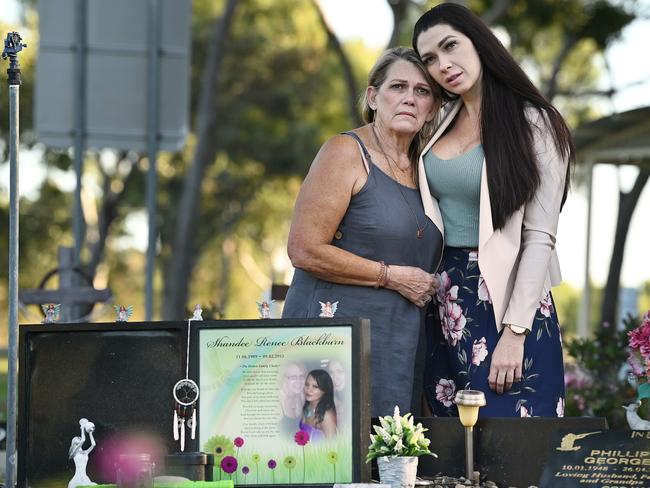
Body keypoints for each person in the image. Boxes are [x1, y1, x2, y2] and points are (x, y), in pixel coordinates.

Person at [412, 3, 574, 417]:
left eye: (450, 46)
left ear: (479, 42)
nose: (443, 65)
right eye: (430, 59)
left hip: (507, 301)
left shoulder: (535, 123)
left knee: (515, 451)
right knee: (450, 456)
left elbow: (540, 235)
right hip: (443, 302)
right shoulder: (438, 121)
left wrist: (515, 333)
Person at [281, 47, 444, 417]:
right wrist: (390, 276)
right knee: (325, 457)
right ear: (373, 97)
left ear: (433, 108)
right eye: (398, 86)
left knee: (388, 465)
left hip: (399, 340)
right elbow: (304, 249)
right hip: (335, 337)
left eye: (422, 92)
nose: (409, 98)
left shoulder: (427, 168)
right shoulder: (345, 152)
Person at [299, 369, 337, 440]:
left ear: (324, 390)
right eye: (307, 384)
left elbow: (333, 448)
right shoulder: (308, 407)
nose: (308, 390)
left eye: (315, 386)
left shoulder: (327, 416)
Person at [278, 361, 308, 435]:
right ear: (284, 379)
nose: (298, 381)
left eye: (301, 376)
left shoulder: (301, 395)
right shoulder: (276, 402)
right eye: (293, 377)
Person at [68, 419, 97, 488]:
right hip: (77, 478)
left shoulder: (85, 452)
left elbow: (93, 444)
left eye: (79, 437)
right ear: (74, 442)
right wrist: (82, 428)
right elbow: (83, 440)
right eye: (76, 438)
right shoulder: (74, 452)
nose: (78, 438)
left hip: (85, 478)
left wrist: (90, 433)